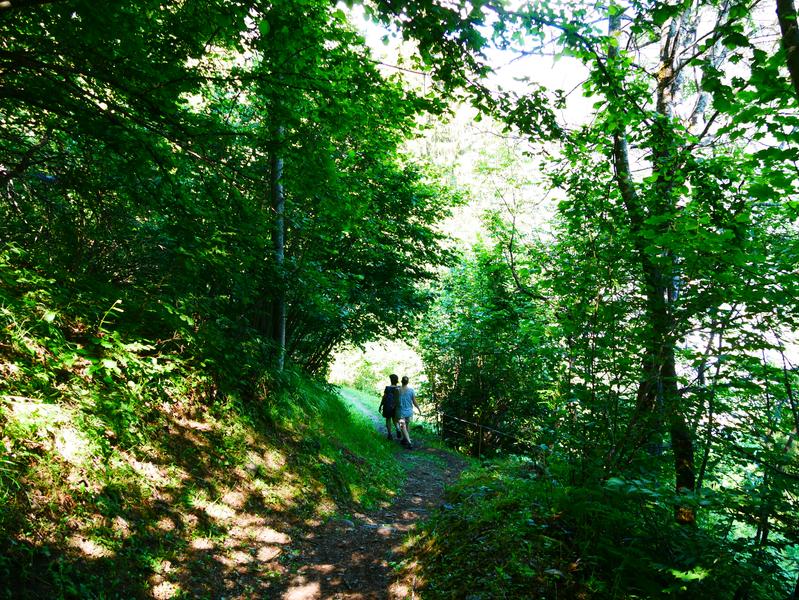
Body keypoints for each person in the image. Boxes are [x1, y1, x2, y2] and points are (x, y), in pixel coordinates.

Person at [397, 375, 421, 449]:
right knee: (406, 426)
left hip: (401, 411)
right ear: (408, 382)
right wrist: (419, 408)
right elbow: (414, 401)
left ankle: (409, 442)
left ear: (401, 381)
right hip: (409, 412)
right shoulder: (411, 390)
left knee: (402, 426)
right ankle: (405, 439)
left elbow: (395, 401)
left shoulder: (398, 390)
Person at [378, 374, 401, 440]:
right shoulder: (399, 388)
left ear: (390, 380)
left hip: (387, 406)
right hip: (396, 406)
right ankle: (398, 429)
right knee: (395, 420)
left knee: (388, 419)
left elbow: (384, 397)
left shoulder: (387, 388)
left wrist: (380, 405)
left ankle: (390, 434)